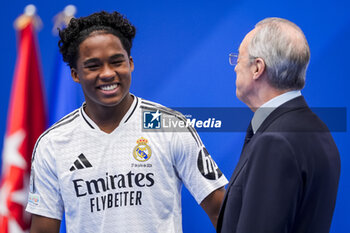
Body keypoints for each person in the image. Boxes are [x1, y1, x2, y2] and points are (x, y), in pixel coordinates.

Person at [26, 11, 228, 233]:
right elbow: (43, 230)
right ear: (75, 74)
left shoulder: (169, 125)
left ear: (130, 63)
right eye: (93, 66)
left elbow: (220, 211)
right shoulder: (53, 143)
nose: (107, 74)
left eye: (116, 62)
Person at [217, 17, 340, 233]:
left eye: (238, 58)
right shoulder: (319, 130)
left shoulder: (274, 142)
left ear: (257, 68)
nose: (235, 67)